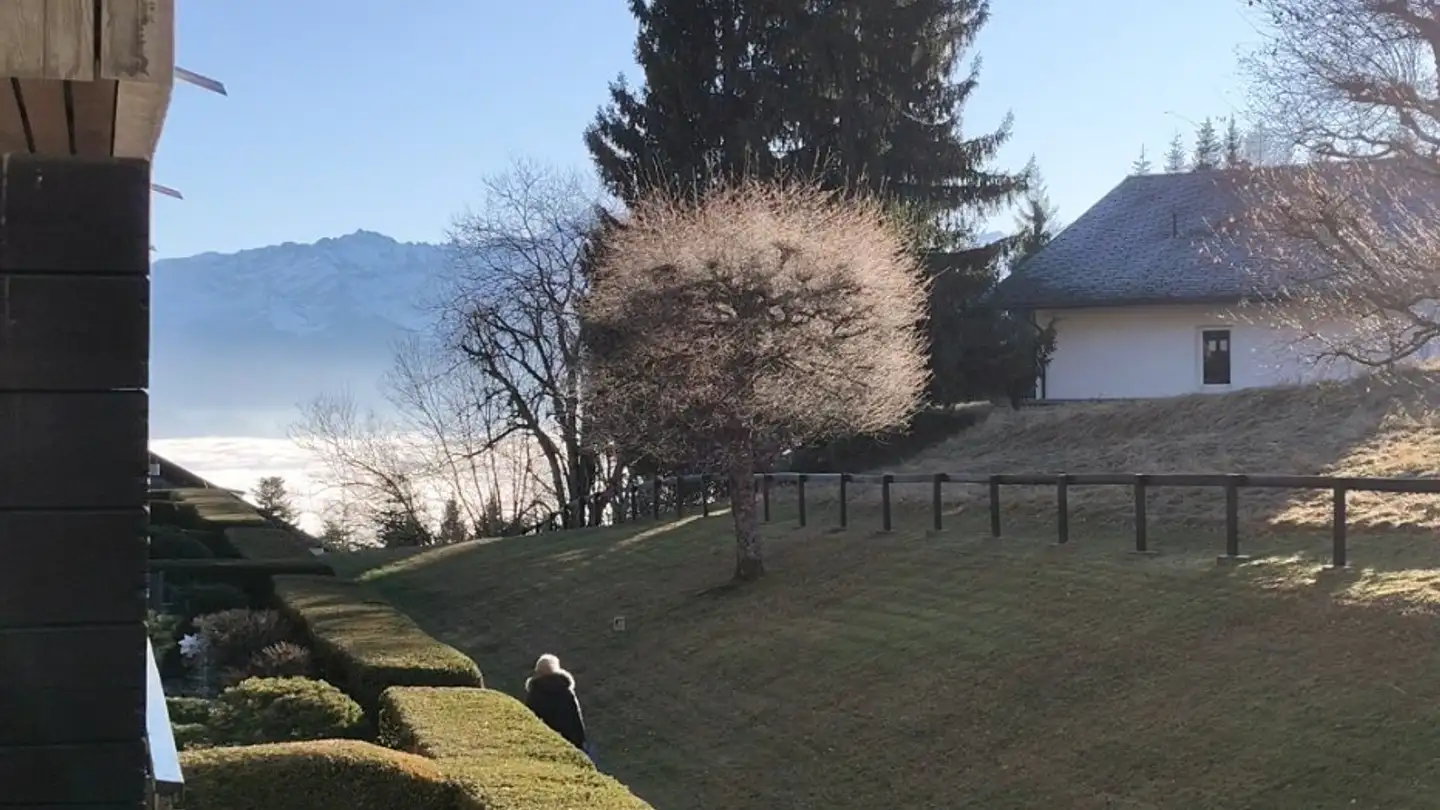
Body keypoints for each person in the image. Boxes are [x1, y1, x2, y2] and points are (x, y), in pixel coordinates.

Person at [524, 653, 590, 758]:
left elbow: (530, 720)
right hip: (569, 739)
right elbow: (576, 716)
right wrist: (581, 741)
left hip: (546, 743)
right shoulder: (565, 691)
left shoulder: (534, 695)